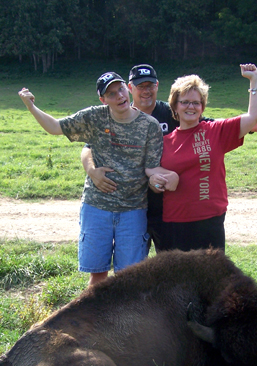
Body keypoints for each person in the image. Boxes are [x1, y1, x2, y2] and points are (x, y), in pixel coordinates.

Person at [81, 64, 257, 253]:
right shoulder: (119, 116)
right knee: (134, 265)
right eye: (141, 86)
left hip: (174, 212)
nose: (146, 91)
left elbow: (209, 126)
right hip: (134, 207)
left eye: (150, 86)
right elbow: (91, 148)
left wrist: (252, 123)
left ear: (157, 86)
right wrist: (92, 170)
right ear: (131, 88)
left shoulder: (176, 116)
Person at [18, 72, 178, 286]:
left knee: (128, 278)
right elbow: (55, 127)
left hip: (133, 209)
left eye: (120, 89)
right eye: (111, 94)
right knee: (98, 275)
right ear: (103, 100)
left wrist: (167, 176)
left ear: (127, 89)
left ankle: (123, 320)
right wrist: (31, 107)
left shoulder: (150, 125)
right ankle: (94, 319)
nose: (119, 96)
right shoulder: (94, 117)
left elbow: (150, 167)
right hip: (96, 207)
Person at [153, 63, 257, 252]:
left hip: (210, 221)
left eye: (196, 102)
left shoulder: (216, 131)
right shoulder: (163, 142)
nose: (191, 107)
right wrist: (157, 177)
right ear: (175, 106)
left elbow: (253, 117)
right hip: (175, 222)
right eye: (185, 102)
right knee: (177, 280)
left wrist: (255, 81)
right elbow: (148, 168)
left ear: (202, 107)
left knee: (212, 279)